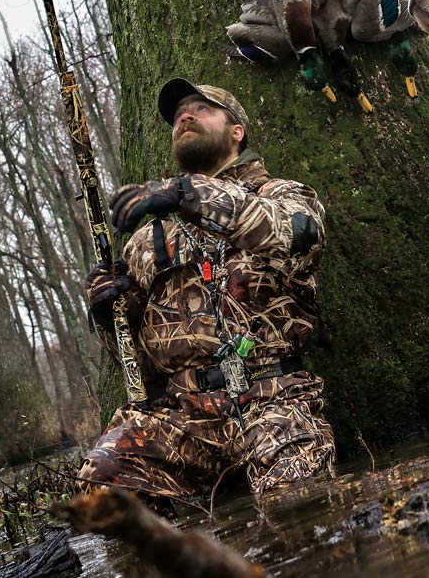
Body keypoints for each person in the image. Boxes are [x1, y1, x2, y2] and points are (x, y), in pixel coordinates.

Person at [78, 78, 335, 500]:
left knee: (296, 503)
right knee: (101, 491)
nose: (185, 115)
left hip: (273, 402)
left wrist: (188, 193)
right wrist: (112, 317)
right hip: (185, 420)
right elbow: (140, 374)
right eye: (179, 114)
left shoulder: (279, 195)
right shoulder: (146, 242)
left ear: (237, 131)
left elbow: (302, 238)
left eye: (202, 107)